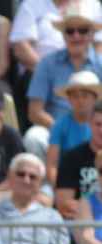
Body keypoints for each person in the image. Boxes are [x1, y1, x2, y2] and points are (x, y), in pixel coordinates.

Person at [27, 7, 102, 155]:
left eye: (82, 30)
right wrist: (62, 129)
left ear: (92, 34)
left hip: (95, 131)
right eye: (70, 31)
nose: (76, 36)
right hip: (54, 127)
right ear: (63, 35)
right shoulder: (47, 64)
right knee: (34, 137)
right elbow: (35, 112)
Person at [46, 70, 100, 182]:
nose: (80, 101)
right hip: (66, 179)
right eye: (75, 96)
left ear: (95, 98)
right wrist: (61, 188)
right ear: (69, 99)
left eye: (85, 96)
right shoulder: (59, 125)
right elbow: (52, 165)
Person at [55, 104, 102, 215]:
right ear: (89, 124)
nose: (101, 130)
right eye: (98, 124)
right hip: (81, 222)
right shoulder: (72, 158)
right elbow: (63, 204)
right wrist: (87, 208)